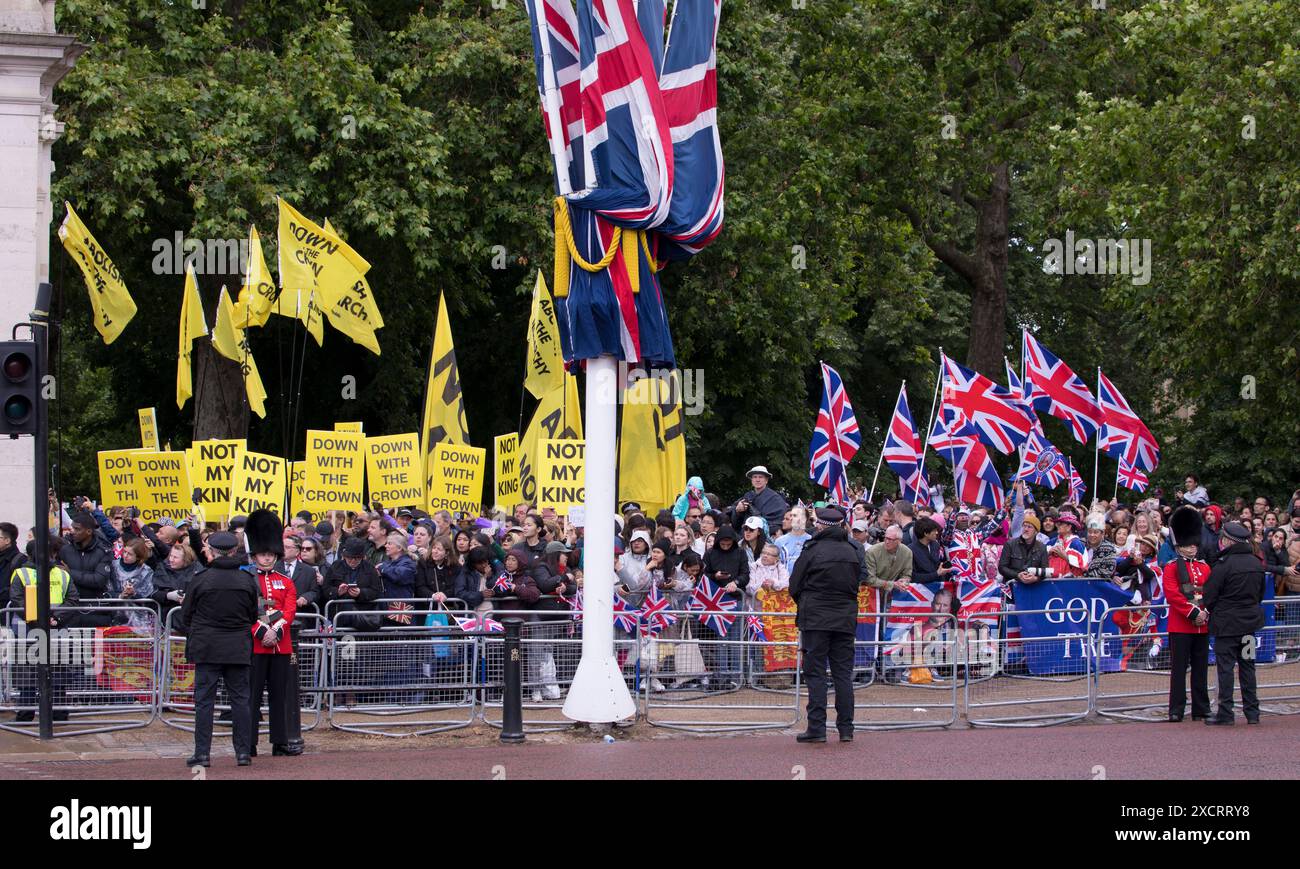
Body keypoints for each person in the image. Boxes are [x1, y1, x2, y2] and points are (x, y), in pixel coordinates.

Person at [179, 530, 259, 767]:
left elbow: (186, 615)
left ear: (212, 552)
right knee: (240, 701)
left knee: (204, 702)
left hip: (207, 647)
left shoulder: (201, 579)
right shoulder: (246, 580)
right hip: (237, 646)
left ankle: (202, 753)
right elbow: (253, 615)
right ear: (233, 551)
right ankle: (243, 753)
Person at [789, 507, 861, 743]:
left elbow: (795, 584)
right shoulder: (853, 550)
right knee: (842, 674)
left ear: (820, 525)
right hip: (844, 618)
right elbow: (860, 580)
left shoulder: (812, 549)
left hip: (816, 619)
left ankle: (817, 728)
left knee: (816, 673)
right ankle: (846, 729)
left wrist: (807, 602)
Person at [242, 510, 300, 757]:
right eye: (262, 555)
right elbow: (245, 611)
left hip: (280, 644)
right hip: (255, 645)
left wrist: (275, 631)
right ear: (255, 556)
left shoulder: (285, 581)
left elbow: (290, 609)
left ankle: (280, 740)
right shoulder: (246, 580)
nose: (266, 559)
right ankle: (249, 742)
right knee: (252, 697)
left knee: (280, 695)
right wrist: (261, 631)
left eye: (269, 555)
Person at [8, 538, 79, 722]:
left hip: (54, 629)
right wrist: (42, 620)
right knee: (28, 675)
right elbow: (17, 601)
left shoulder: (62, 574)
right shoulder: (21, 574)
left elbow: (72, 600)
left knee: (58, 673)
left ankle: (58, 713)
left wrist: (55, 619)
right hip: (30, 630)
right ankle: (27, 713)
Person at [1202, 521, 1265, 725]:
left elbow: (1209, 596)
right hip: (1249, 625)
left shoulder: (1223, 565)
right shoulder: (1256, 563)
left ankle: (1226, 713)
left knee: (1226, 669)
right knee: (1248, 667)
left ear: (1227, 541)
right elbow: (1260, 594)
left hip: (1227, 626)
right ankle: (1252, 712)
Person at [1162, 507, 1211, 721]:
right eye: (1188, 545)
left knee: (1201, 668)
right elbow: (1173, 595)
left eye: (1194, 545)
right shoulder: (1171, 567)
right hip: (1181, 625)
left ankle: (1201, 707)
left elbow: (1210, 591)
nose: (1192, 549)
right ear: (1180, 546)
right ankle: (1176, 709)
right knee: (1179, 670)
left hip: (1202, 624)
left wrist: (1205, 611)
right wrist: (1194, 613)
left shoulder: (1204, 567)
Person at [60, 512, 113, 626]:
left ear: (88, 531)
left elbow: (98, 580)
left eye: (77, 529)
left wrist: (70, 573)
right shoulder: (65, 550)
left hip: (96, 610)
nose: (72, 531)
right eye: (72, 528)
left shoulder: (103, 551)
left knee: (95, 644)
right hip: (70, 611)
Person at [733, 466, 790, 530]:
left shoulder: (775, 498)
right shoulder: (747, 496)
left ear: (766, 480)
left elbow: (777, 521)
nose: (757, 480)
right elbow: (738, 522)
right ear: (751, 480)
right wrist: (737, 511)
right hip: (747, 533)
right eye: (755, 477)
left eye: (760, 477)